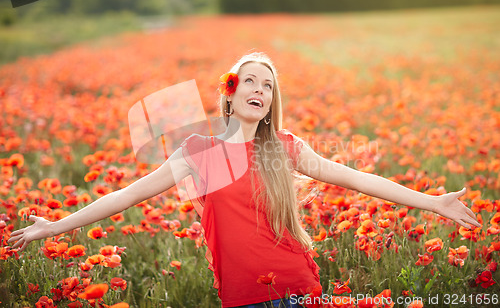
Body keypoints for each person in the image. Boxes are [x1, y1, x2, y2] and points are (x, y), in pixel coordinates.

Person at [8, 52, 481, 308]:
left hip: (295, 292)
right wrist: (55, 227)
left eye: (268, 85)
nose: (260, 90)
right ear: (230, 96)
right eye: (250, 81)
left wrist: (432, 202)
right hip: (241, 297)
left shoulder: (284, 148)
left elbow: (358, 179)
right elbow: (127, 196)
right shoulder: (201, 154)